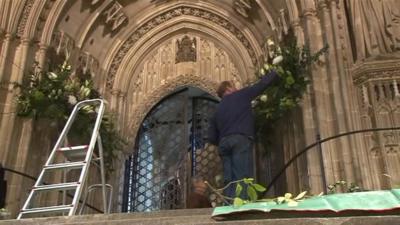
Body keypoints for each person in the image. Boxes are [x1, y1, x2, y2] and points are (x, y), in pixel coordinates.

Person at [207, 70, 279, 200]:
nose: (235, 88)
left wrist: (223, 139)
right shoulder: (241, 95)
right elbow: (261, 85)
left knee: (228, 178)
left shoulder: (217, 109)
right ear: (229, 88)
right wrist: (275, 71)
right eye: (233, 86)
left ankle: (228, 203)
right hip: (240, 139)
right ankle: (241, 205)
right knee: (242, 175)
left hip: (224, 144)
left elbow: (211, 136)